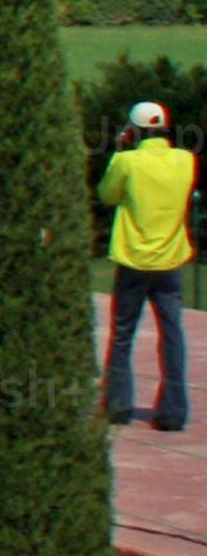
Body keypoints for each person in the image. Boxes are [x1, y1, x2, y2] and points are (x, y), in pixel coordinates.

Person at [102, 101, 194, 435]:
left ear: (134, 131)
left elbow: (107, 194)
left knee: (123, 333)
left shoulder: (127, 161)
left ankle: (118, 405)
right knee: (172, 334)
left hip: (134, 259)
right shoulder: (185, 160)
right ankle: (173, 412)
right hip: (169, 260)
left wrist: (119, 151)